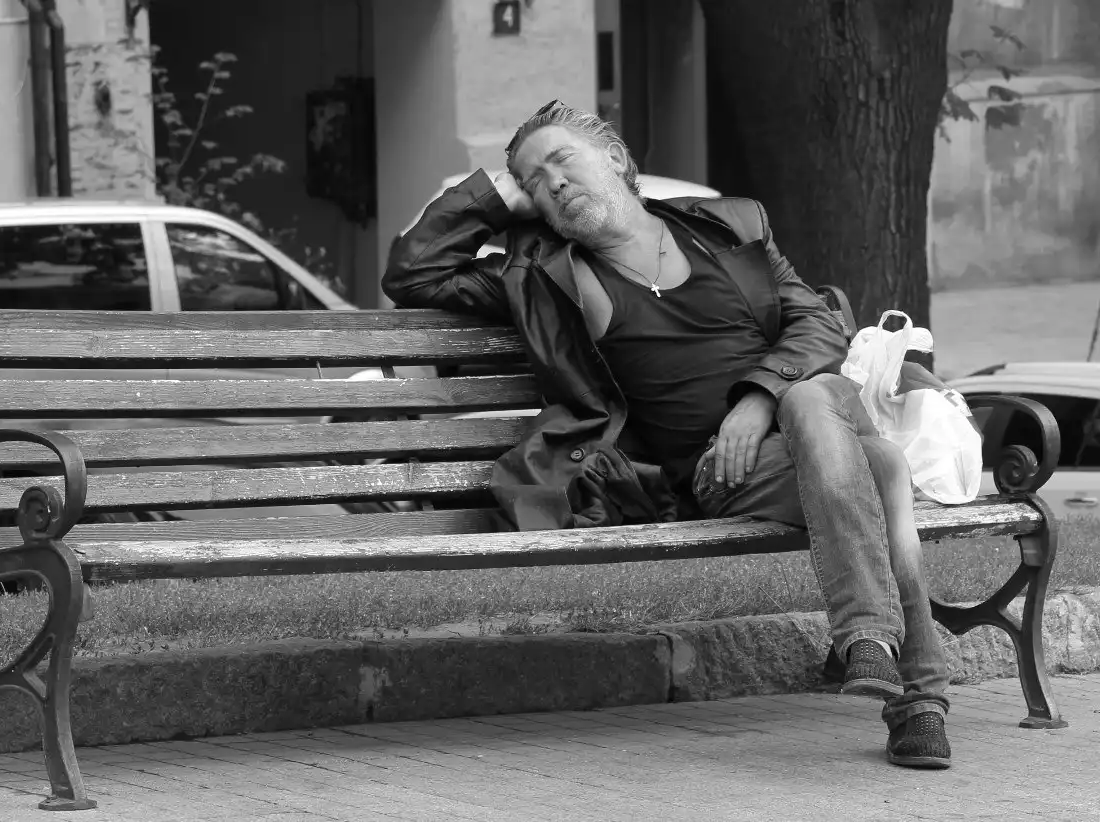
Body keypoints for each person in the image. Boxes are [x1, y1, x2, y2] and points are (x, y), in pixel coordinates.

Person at [382, 101, 951, 768]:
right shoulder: (537, 275)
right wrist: (492, 195)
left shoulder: (733, 228)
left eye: (562, 160)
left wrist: (755, 402)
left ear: (616, 158)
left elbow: (817, 326)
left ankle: (870, 646)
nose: (552, 183)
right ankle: (913, 695)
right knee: (883, 469)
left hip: (809, 421)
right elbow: (412, 273)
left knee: (809, 395)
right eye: (534, 181)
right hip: (721, 477)